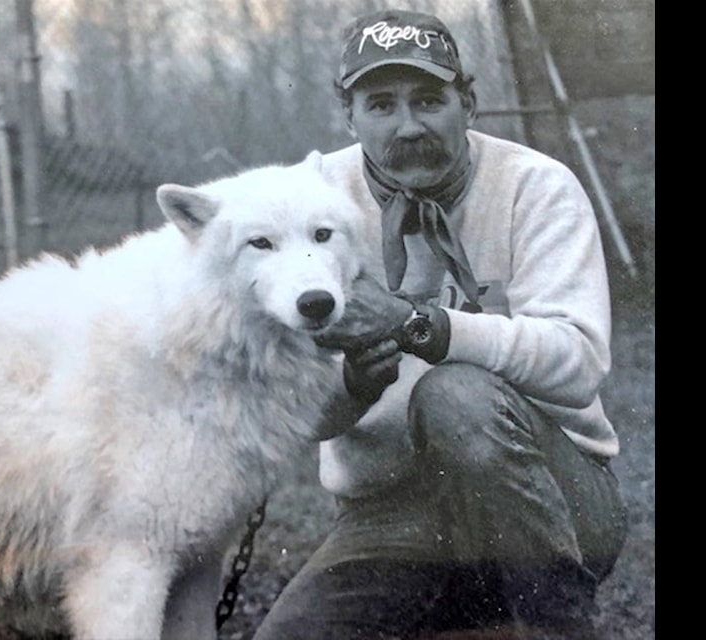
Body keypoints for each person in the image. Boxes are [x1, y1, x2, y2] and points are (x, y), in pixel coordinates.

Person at [252, 8, 628, 640]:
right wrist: (354, 387)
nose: (408, 126)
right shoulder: (308, 205)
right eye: (381, 105)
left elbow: (578, 359)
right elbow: (293, 415)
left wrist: (417, 323)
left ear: (469, 103)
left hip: (557, 495)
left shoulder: (535, 188)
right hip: (392, 514)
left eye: (429, 100)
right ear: (349, 115)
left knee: (455, 394)